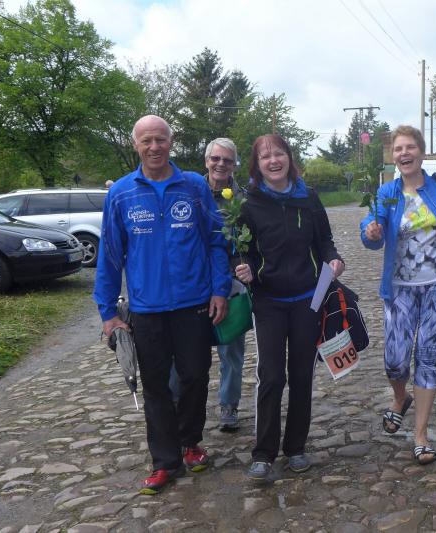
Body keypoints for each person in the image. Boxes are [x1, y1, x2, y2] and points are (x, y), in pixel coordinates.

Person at [94, 115, 230, 495]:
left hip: (194, 304)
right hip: (147, 309)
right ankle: (164, 461)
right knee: (155, 387)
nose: (154, 147)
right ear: (136, 144)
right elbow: (110, 256)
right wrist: (108, 312)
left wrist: (219, 289)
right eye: (147, 140)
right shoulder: (121, 193)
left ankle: (190, 443)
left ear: (171, 141)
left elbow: (216, 241)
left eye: (161, 139)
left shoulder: (194, 187)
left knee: (195, 377)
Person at [360, 125, 436, 465]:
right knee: (395, 360)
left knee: (426, 354)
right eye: (398, 149)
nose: (404, 153)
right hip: (399, 289)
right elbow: (371, 229)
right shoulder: (388, 192)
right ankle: (400, 399)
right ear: (393, 156)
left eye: (410, 147)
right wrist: (370, 231)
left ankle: (421, 435)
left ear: (422, 152)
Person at [234, 133, 344, 482]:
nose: (273, 161)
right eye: (265, 157)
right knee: (271, 376)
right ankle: (263, 453)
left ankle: (295, 447)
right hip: (268, 301)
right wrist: (244, 268)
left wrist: (334, 260)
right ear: (257, 164)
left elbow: (324, 241)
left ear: (289, 157)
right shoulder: (248, 204)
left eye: (279, 153)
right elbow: (240, 250)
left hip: (307, 300)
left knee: (301, 375)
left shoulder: (308, 197)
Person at [169, 138, 246, 431]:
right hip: (192, 283)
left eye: (227, 160)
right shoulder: (187, 191)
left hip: (231, 283)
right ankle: (177, 403)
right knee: (181, 351)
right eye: (215, 158)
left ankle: (229, 404)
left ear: (235, 164)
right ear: (206, 161)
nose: (220, 164)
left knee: (231, 350)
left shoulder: (244, 199)